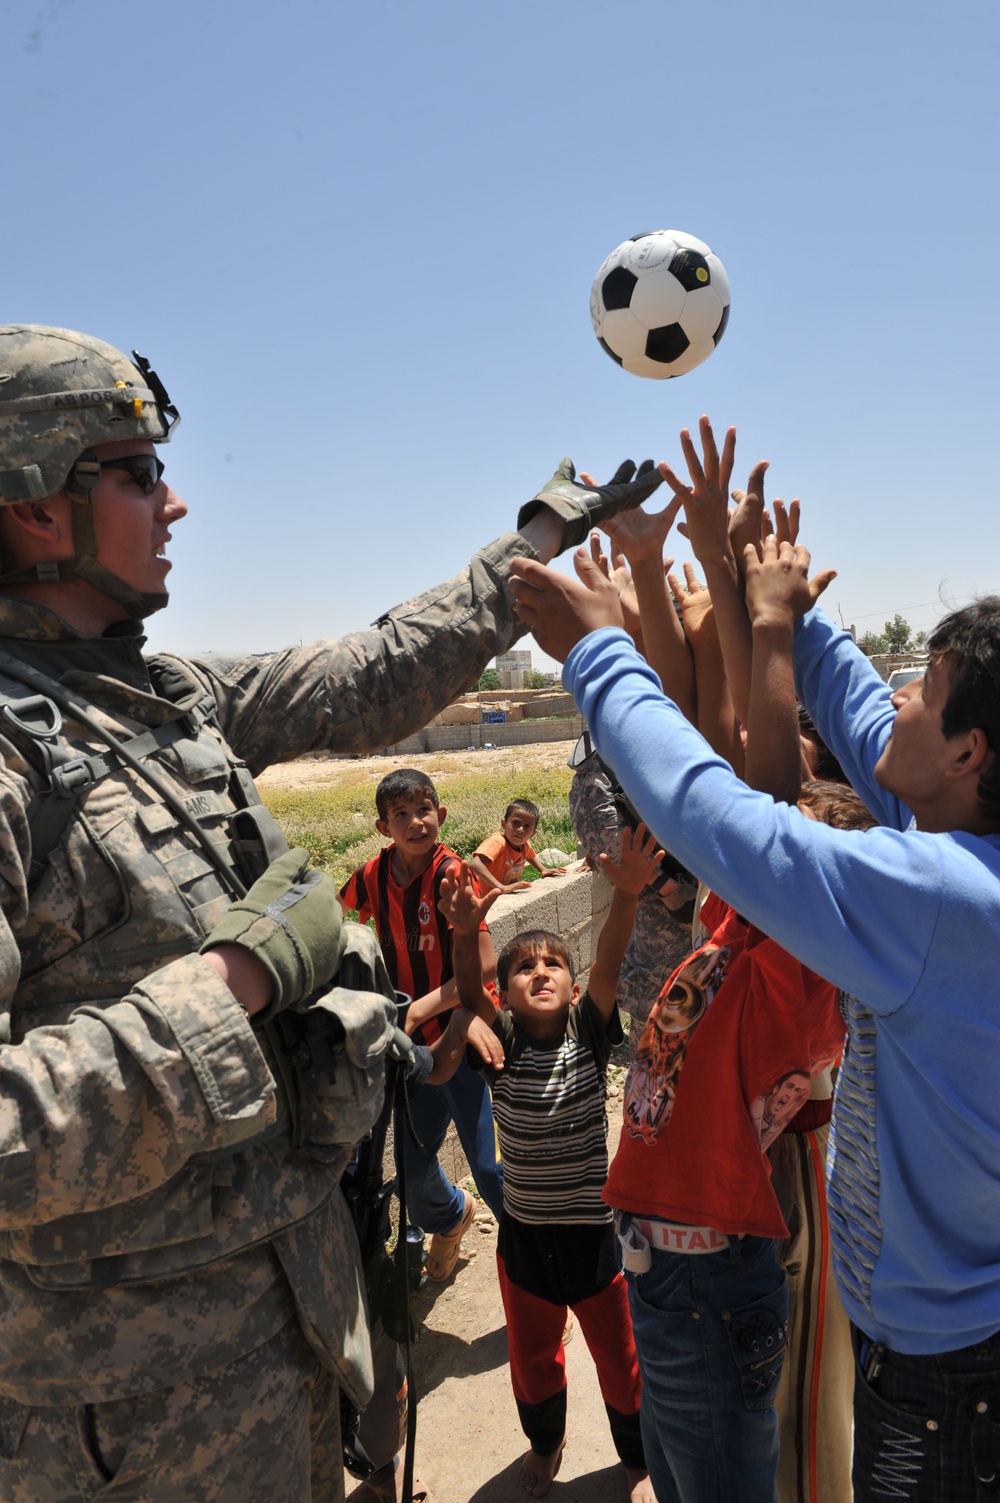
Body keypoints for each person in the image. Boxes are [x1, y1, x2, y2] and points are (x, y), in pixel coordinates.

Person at [0, 322, 663, 1503]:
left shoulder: (162, 700)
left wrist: (535, 542)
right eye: (138, 472)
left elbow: (372, 669)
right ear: (36, 507)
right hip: (123, 1433)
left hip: (292, 1338)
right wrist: (233, 988)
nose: (176, 502)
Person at [510, 414, 1000, 1503]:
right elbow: (854, 720)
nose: (898, 692)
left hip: (945, 1373)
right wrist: (754, 591)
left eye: (927, 684)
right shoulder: (959, 850)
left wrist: (597, 647)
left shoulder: (936, 896)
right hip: (925, 1350)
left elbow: (731, 807)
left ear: (969, 753)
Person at [436, 836, 662, 1503]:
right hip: (527, 1238)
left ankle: (637, 1457)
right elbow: (470, 992)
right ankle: (545, 1441)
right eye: (524, 966)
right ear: (505, 990)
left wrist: (626, 892)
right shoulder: (499, 1042)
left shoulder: (588, 1034)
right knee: (534, 1364)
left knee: (620, 1364)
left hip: (596, 1236)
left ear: (571, 981)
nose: (540, 971)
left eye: (553, 963)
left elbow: (612, 959)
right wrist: (467, 927)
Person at [338, 767, 504, 1282]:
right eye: (401, 815)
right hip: (415, 1049)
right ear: (383, 827)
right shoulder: (371, 875)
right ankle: (453, 1217)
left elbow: (488, 966)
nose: (415, 822)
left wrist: (415, 1010)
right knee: (410, 1168)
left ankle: (541, 1281)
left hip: (464, 1034)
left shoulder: (454, 876)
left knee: (491, 1169)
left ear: (442, 814)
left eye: (424, 809)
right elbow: (339, 924)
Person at [469, 798, 567, 894]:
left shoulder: (524, 845)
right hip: (482, 899)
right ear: (504, 824)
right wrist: (501, 887)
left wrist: (543, 870)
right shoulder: (498, 842)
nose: (520, 829)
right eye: (516, 823)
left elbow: (530, 856)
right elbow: (475, 864)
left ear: (533, 833)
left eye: (527, 826)